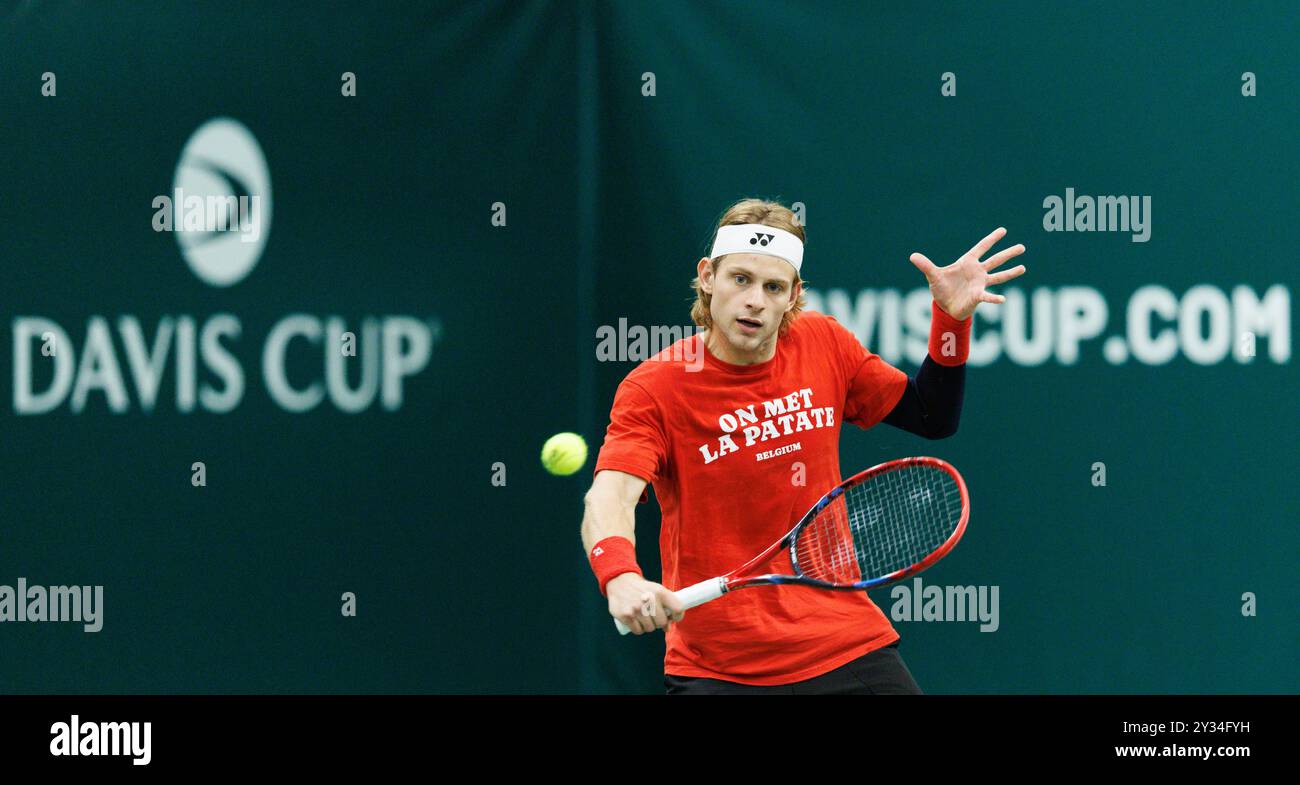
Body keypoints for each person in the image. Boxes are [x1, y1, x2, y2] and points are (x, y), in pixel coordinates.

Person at [580, 198, 1026, 694]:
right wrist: (619, 576)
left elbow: (931, 416)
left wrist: (950, 320)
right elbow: (610, 496)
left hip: (843, 642)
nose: (755, 300)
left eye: (773, 287)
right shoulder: (655, 387)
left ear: (793, 295)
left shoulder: (823, 343)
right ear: (708, 277)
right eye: (740, 279)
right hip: (718, 669)